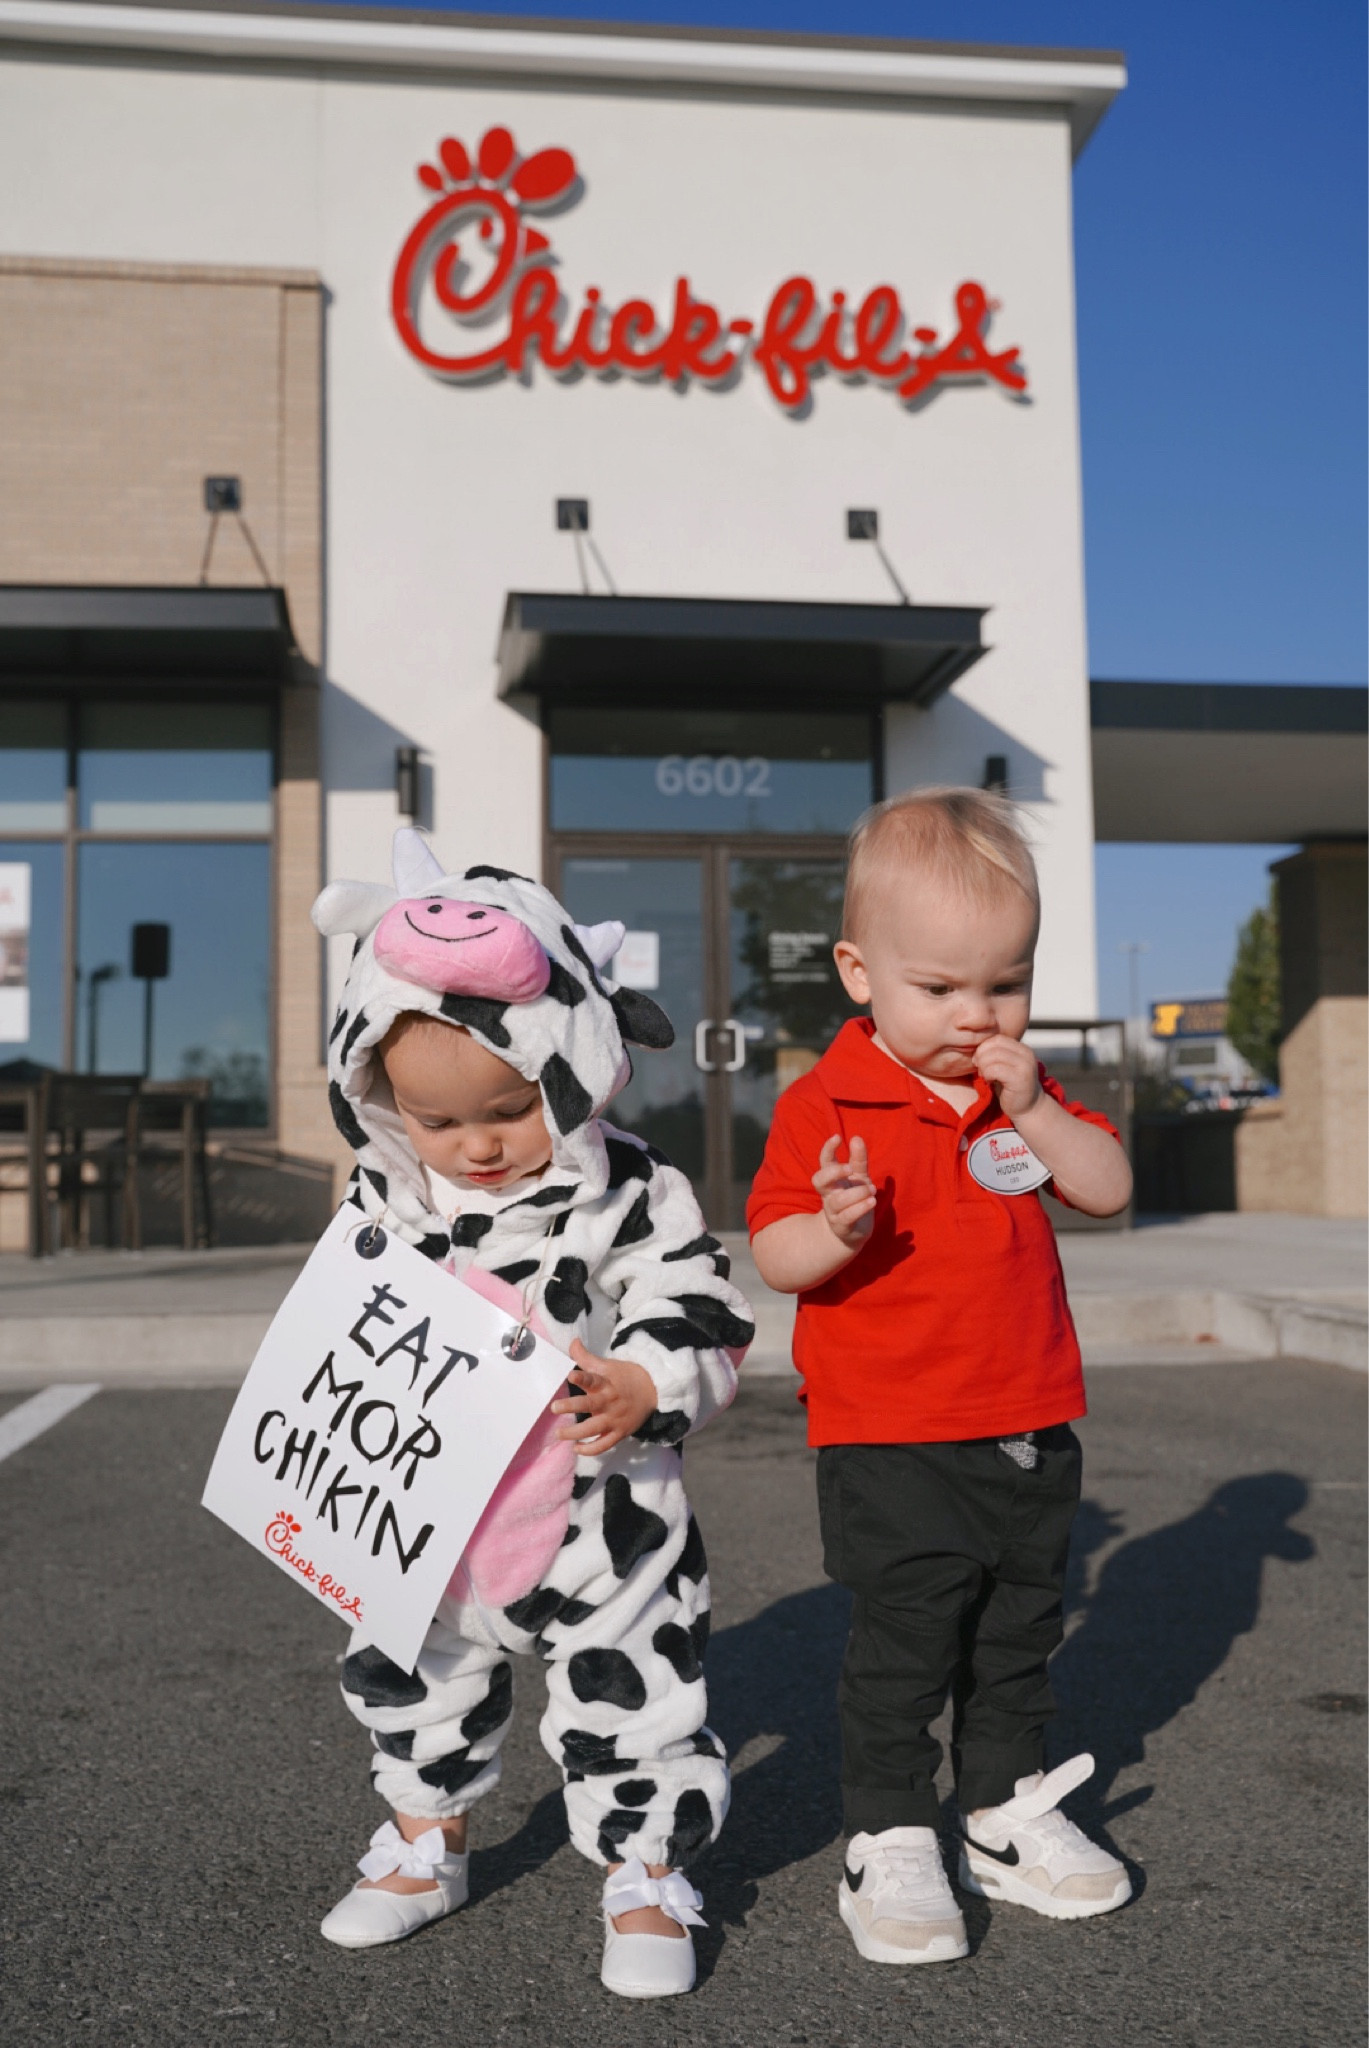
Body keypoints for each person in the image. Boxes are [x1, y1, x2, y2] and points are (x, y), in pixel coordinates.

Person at [309, 830, 753, 1999]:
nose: (476, 1145)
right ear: (378, 1095)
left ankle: (648, 1866)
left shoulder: (632, 1185)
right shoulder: (384, 1197)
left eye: (508, 1106)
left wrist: (651, 1378)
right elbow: (343, 1326)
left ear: (572, 1057)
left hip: (602, 1515)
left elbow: (697, 1295)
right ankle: (426, 1841)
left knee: (637, 1689)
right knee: (414, 1677)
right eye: (435, 1119)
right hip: (426, 1510)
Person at [747, 788, 1134, 1968]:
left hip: (1027, 1417)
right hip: (892, 1429)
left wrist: (1035, 1109)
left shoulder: (1019, 1088)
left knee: (1018, 1631)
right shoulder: (823, 1104)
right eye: (941, 987)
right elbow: (774, 1251)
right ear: (859, 972)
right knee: (907, 1642)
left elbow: (1107, 1187)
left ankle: (1002, 1806)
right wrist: (839, 1227)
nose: (977, 1013)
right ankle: (890, 1828)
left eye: (1004, 982)